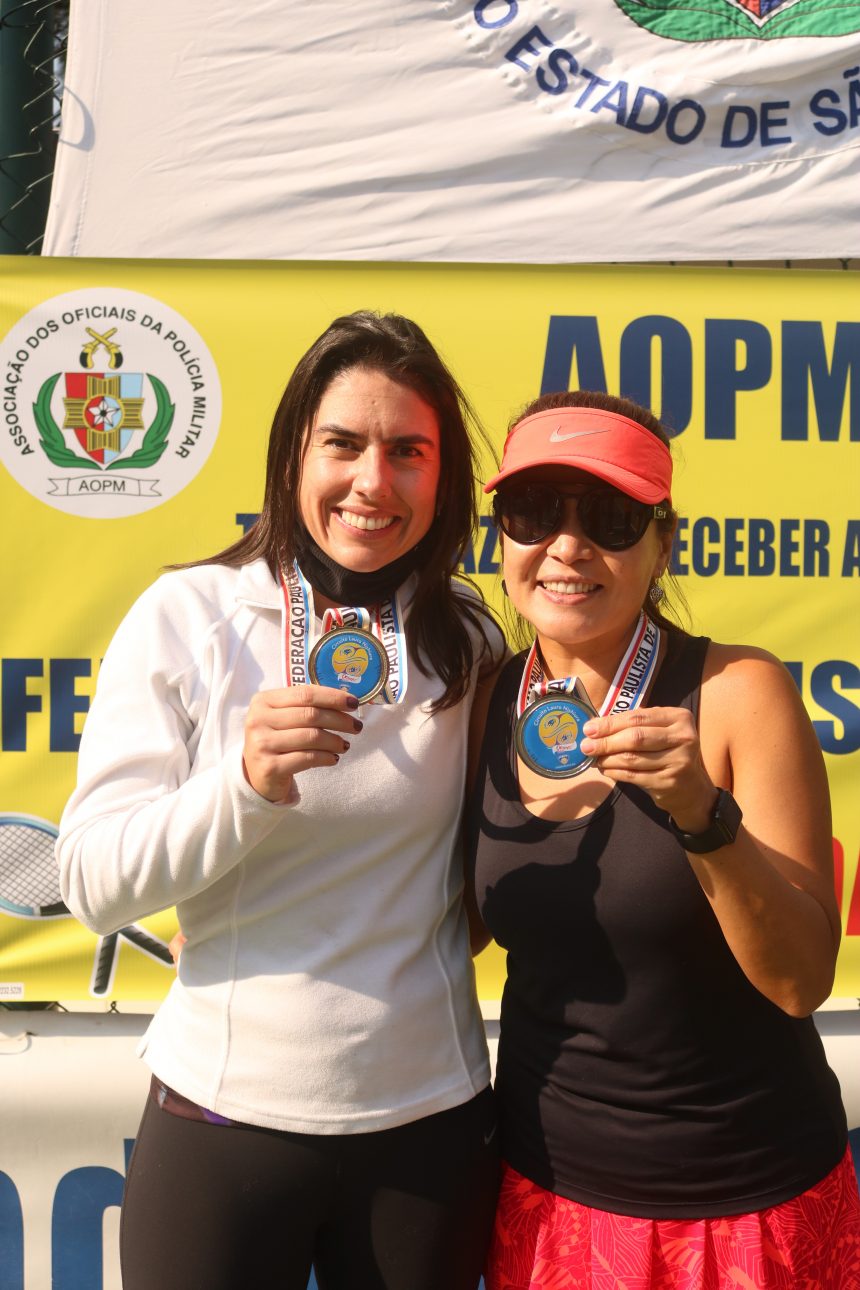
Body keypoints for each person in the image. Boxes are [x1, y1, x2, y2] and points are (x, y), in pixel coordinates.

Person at [56, 311, 504, 1290]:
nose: (372, 482)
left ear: (444, 475)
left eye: (408, 451)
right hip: (224, 1118)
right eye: (342, 444)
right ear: (293, 452)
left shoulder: (469, 636)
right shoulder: (188, 616)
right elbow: (92, 883)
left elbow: (472, 883)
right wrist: (244, 787)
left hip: (429, 1125)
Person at [467, 390, 860, 1288]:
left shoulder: (737, 694)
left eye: (608, 518)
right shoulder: (488, 699)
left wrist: (703, 817)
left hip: (743, 1204)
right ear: (501, 538)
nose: (568, 546)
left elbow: (800, 981)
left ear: (663, 543)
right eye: (533, 512)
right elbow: (455, 925)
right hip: (545, 1197)